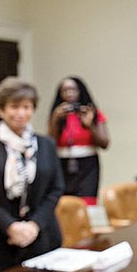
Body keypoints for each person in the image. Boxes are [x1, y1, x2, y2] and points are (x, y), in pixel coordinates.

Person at [0, 77, 64, 272]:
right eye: (14, 107)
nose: (21, 113)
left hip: (42, 239)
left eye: (27, 107)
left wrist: (33, 226)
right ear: (1, 110)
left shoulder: (46, 144)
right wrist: (11, 227)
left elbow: (56, 189)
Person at [48, 76, 109, 204]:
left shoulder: (93, 113)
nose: (69, 93)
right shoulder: (57, 114)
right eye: (65, 90)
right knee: (65, 204)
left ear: (81, 91)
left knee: (87, 203)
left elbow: (105, 143)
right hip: (62, 164)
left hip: (88, 166)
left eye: (73, 89)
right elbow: (49, 144)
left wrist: (90, 125)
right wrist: (55, 120)